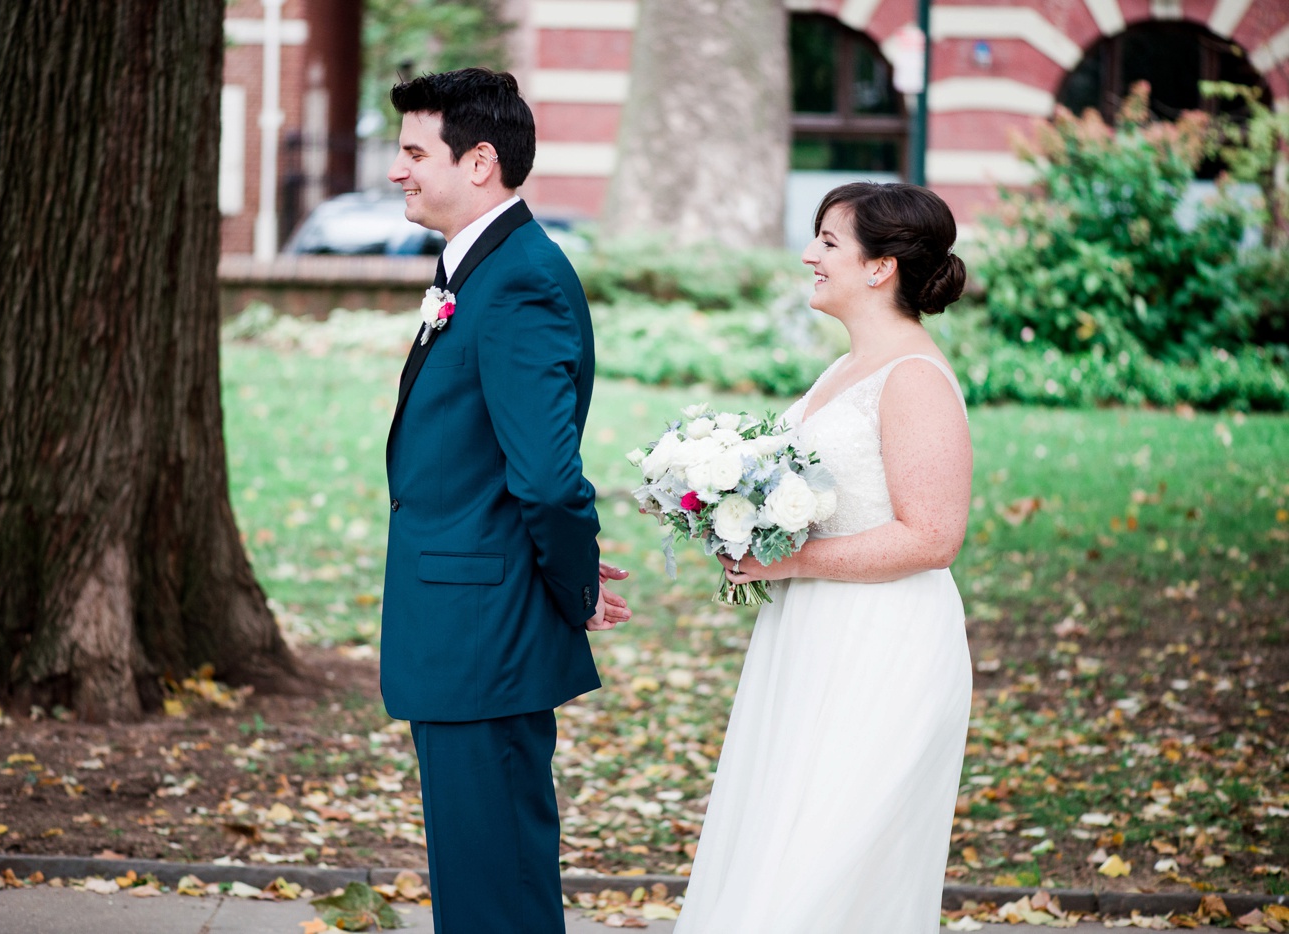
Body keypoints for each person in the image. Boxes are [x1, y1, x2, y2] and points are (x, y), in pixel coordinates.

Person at [674, 182, 973, 932]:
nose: (809, 255)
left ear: (880, 269)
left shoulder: (912, 377)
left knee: (829, 864)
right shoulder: (848, 368)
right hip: (812, 639)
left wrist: (789, 562)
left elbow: (933, 535)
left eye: (829, 243)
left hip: (884, 647)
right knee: (781, 839)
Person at [380, 68, 631, 934]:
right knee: (478, 873)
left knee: (497, 883)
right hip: (464, 622)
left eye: (414, 151)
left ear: (479, 161)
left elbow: (549, 479)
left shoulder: (519, 280)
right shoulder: (483, 269)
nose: (396, 169)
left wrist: (576, 587)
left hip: (484, 630)